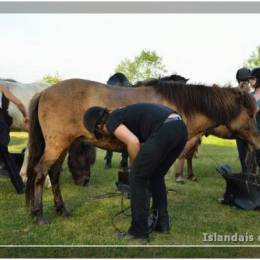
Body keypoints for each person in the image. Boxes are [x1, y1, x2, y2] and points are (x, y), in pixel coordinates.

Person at [83, 103, 187, 239]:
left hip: (165, 129)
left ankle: (139, 231)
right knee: (156, 176)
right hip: (180, 129)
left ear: (98, 126)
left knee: (137, 178)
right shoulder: (122, 112)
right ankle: (161, 223)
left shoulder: (111, 120)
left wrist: (136, 168)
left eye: (99, 133)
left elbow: (133, 142)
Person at [0, 84, 29, 193]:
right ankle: (19, 187)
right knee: (6, 156)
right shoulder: (1, 87)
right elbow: (19, 103)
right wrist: (26, 115)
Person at [104, 73, 131, 170]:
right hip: (113, 116)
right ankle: (108, 161)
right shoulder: (111, 91)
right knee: (110, 137)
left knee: (126, 139)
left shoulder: (126, 91)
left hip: (124, 117)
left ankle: (124, 161)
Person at [235, 68, 254, 173]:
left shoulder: (251, 94)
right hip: (241, 128)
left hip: (249, 128)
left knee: (250, 152)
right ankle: (245, 171)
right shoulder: (237, 93)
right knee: (242, 152)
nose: (246, 84)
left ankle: (249, 172)